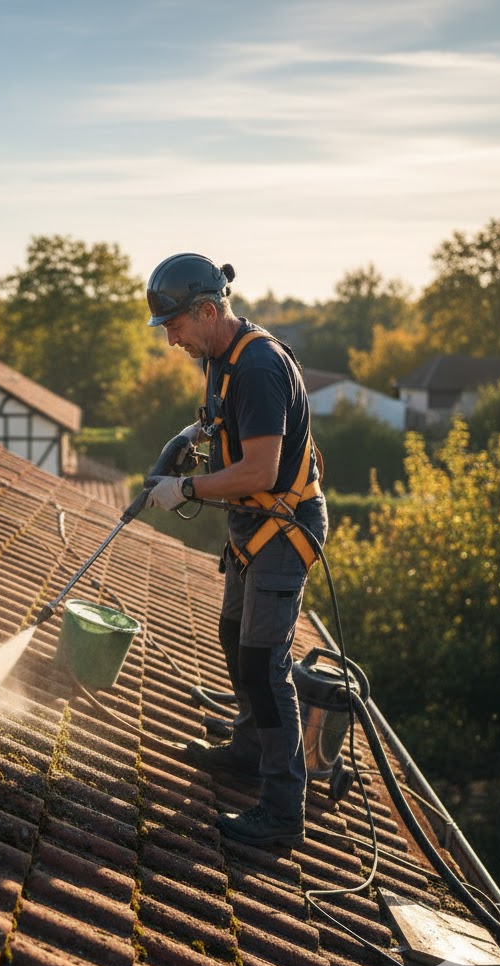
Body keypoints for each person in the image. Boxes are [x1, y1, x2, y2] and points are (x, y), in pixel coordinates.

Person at [143, 252, 328, 847]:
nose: (171, 340)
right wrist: (193, 436)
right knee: (230, 634)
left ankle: (281, 809)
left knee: (262, 663)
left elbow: (260, 468)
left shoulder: (258, 367)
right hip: (251, 526)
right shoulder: (221, 360)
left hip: (284, 523)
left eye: (174, 326)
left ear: (206, 309)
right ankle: (248, 751)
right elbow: (232, 427)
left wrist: (188, 487)